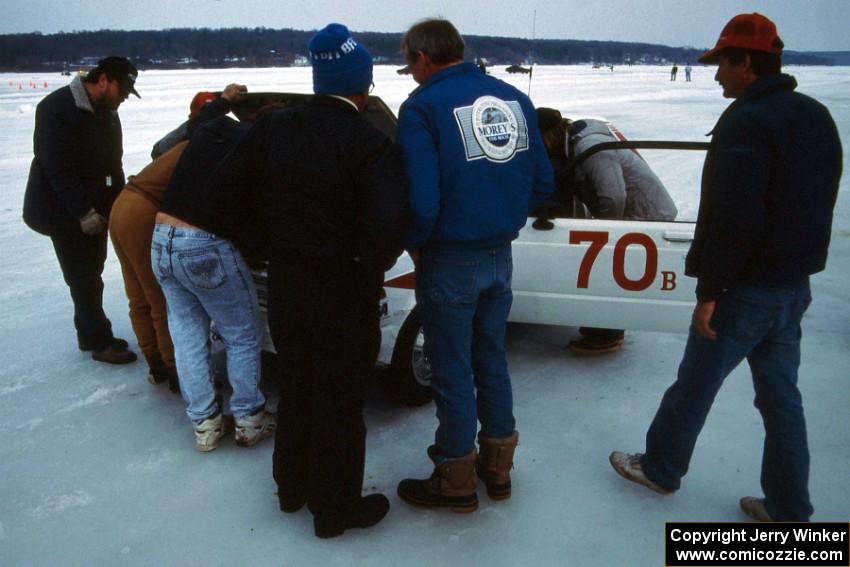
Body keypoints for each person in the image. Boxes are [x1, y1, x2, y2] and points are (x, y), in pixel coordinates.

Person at [609, 12, 842, 522]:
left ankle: (661, 469)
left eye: (722, 64)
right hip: (791, 289)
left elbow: (730, 216)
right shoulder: (815, 115)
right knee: (782, 402)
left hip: (745, 291)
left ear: (747, 63)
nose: (715, 75)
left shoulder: (747, 121)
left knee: (694, 385)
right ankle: (788, 506)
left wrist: (711, 291)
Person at [203, 23, 408, 538]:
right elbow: (389, 225)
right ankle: (334, 509)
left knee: (297, 387)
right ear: (362, 86)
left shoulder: (275, 128)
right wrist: (367, 266)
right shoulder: (368, 141)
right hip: (345, 289)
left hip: (290, 283)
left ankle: (291, 488)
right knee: (339, 400)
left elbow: (221, 194)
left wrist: (261, 243)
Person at [394, 19, 554, 513]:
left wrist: (418, 244)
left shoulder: (422, 107)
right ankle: (499, 466)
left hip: (449, 257)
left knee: (452, 370)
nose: (410, 72)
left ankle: (455, 476)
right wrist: (500, 214)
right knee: (491, 360)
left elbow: (421, 199)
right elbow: (543, 182)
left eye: (410, 63)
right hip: (499, 256)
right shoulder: (513, 99)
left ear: (422, 56)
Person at [151, 83, 277, 453]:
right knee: (241, 332)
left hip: (161, 238)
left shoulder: (213, 128)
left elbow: (201, 117)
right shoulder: (256, 153)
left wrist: (225, 99)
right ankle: (249, 418)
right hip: (203, 245)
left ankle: (205, 424)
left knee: (188, 334)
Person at [110, 83, 248, 391]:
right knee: (159, 298)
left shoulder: (181, 138)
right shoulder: (207, 143)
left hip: (124, 203)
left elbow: (159, 149)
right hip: (145, 211)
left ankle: (156, 365)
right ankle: (175, 372)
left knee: (138, 293)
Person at [23, 56, 141, 365]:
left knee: (93, 270)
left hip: (95, 209)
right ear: (103, 80)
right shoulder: (56, 108)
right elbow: (56, 168)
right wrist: (83, 212)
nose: (126, 97)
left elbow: (114, 163)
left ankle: (93, 333)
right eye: (123, 90)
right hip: (60, 209)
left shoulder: (108, 113)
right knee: (83, 276)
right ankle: (97, 340)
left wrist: (121, 202)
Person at [536, 107, 678, 354]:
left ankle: (608, 331)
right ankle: (603, 326)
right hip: (635, 212)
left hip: (644, 213)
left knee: (609, 272)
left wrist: (604, 232)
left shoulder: (590, 149)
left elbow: (613, 196)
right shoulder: (576, 143)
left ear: (550, 134)